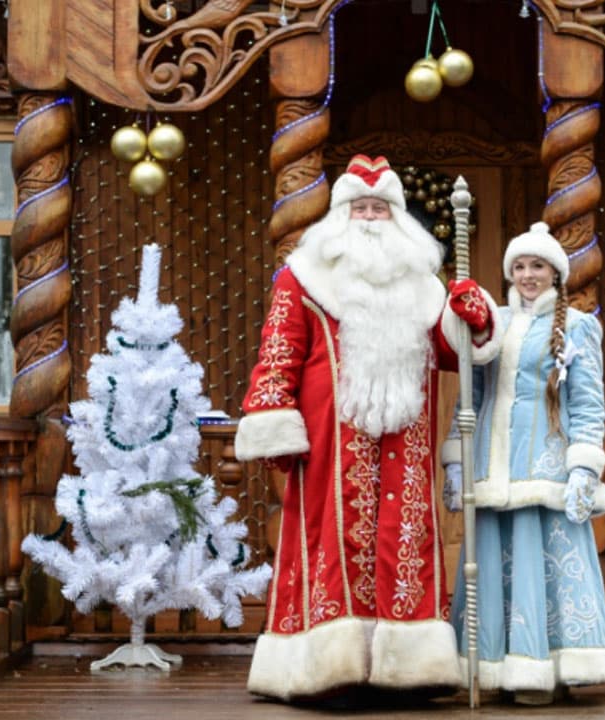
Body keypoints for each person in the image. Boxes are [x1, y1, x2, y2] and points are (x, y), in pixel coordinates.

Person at [234, 154, 501, 702]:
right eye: (361, 207)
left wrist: (474, 318)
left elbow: (454, 352)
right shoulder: (302, 277)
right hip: (330, 436)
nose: (372, 216)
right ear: (341, 215)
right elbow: (280, 350)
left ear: (398, 218)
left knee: (404, 541)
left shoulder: (423, 283)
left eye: (381, 208)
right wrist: (273, 416)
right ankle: (329, 668)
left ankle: (405, 669)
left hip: (407, 433)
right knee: (332, 536)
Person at [442, 221, 605, 704]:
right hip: (490, 460)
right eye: (519, 266)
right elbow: (470, 396)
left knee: (540, 561)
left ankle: (545, 671)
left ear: (555, 274)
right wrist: (456, 461)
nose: (527, 275)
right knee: (494, 562)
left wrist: (585, 466)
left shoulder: (579, 326)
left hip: (544, 463)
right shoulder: (492, 324)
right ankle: (494, 669)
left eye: (537, 266)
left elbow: (587, 403)